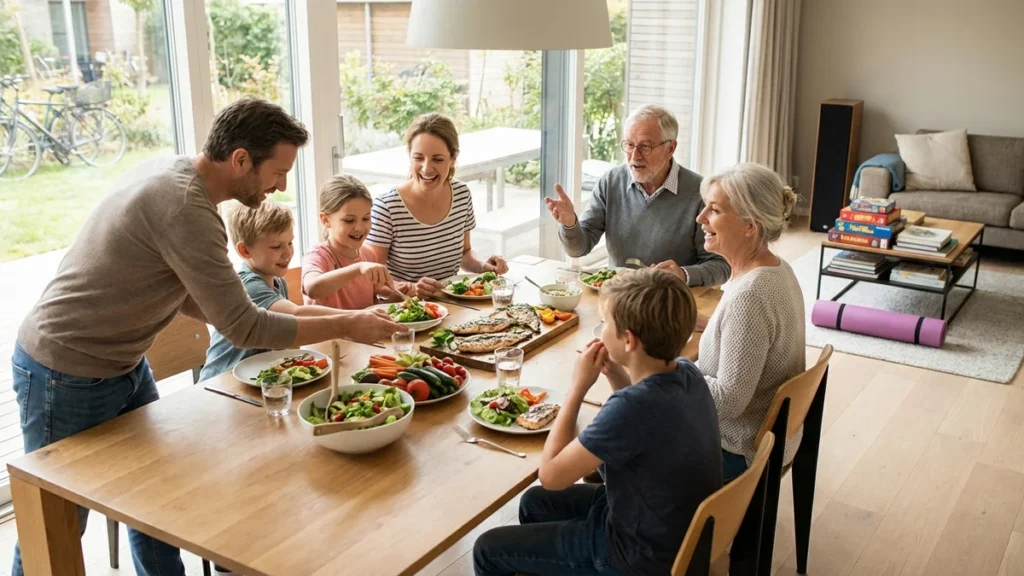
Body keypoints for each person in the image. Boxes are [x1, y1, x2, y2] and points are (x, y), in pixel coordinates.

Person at [10, 98, 404, 576]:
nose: (281, 186)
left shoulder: (177, 177)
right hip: (64, 366)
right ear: (240, 159)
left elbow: (182, 292)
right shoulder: (185, 208)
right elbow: (245, 327)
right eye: (277, 172)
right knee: (55, 525)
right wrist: (346, 323)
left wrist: (239, 310)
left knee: (155, 501)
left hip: (124, 363)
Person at [472, 268, 722, 576]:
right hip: (668, 530)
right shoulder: (687, 371)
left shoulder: (632, 407)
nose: (600, 331)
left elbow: (551, 476)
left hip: (635, 555)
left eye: (605, 324)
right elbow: (639, 422)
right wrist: (616, 374)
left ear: (628, 340)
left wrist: (577, 388)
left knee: (487, 548)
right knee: (535, 502)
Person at [688, 162, 805, 482]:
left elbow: (728, 400)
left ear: (750, 226)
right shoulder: (777, 268)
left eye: (714, 210)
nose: (700, 218)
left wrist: (668, 371)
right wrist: (713, 324)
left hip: (735, 448)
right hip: (770, 436)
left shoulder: (749, 296)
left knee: (618, 436)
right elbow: (756, 337)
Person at [545, 104, 730, 287]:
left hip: (673, 299)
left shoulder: (701, 193)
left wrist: (682, 274)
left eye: (645, 146)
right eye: (629, 145)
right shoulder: (611, 181)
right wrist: (569, 224)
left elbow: (721, 266)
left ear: (670, 148)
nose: (635, 156)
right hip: (619, 296)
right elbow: (578, 249)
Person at [200, 200, 372, 382]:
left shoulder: (278, 281)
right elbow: (295, 314)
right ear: (245, 250)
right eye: (276, 246)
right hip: (221, 381)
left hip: (258, 378)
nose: (288, 253)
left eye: (290, 243)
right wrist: (357, 318)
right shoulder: (248, 285)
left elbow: (285, 340)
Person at [366, 113, 509, 298]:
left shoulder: (461, 194)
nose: (426, 168)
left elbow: (464, 253)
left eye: (438, 159)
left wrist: (484, 267)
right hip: (406, 308)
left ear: (453, 158)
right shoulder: (387, 207)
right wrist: (412, 288)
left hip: (451, 303)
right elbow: (374, 281)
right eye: (418, 158)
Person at [302, 175, 413, 309]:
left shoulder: (368, 255)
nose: (359, 228)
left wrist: (397, 295)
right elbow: (312, 289)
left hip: (363, 323)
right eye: (349, 220)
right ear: (325, 220)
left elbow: (370, 302)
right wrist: (358, 268)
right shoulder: (318, 255)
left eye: (366, 218)